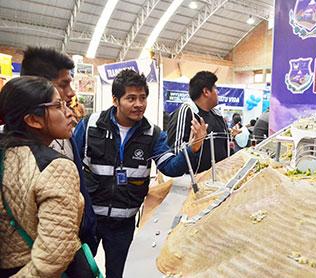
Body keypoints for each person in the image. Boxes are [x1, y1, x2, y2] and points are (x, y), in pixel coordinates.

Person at [73, 69, 206, 278]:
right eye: (131, 98)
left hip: (123, 225)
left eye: (142, 98)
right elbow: (70, 162)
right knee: (80, 272)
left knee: (118, 274)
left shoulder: (152, 134)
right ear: (116, 100)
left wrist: (193, 148)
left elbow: (169, 167)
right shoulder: (91, 125)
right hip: (89, 220)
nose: (138, 104)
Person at [0, 77, 84, 276]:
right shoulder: (56, 167)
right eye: (58, 106)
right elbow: (53, 257)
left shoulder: (7, 153)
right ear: (33, 120)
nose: (69, 113)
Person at [21, 46, 97, 252]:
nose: (71, 93)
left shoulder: (65, 135)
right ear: (38, 86)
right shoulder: (13, 154)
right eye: (64, 84)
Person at [167, 71, 239, 173]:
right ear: (206, 91)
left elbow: (226, 146)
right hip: (194, 182)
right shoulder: (187, 112)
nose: (217, 92)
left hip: (220, 179)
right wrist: (195, 144)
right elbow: (175, 153)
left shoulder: (217, 115)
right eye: (215, 88)